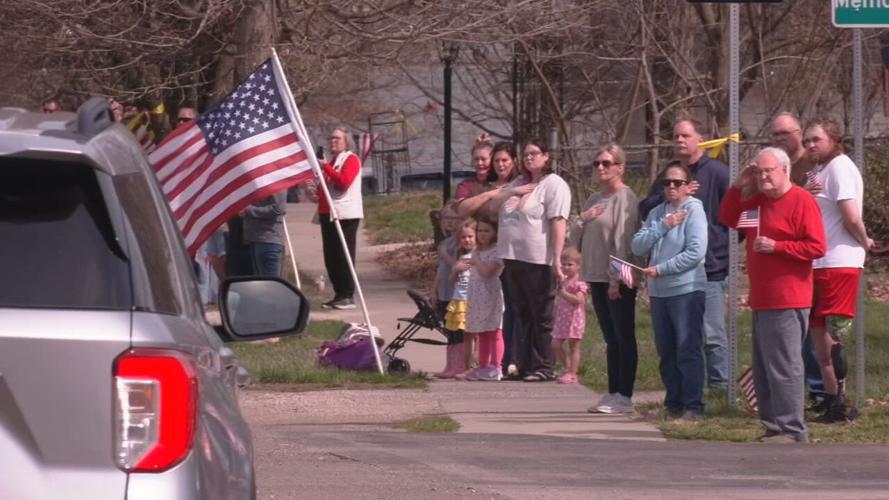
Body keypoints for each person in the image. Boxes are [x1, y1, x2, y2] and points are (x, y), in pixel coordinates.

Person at [719, 147, 826, 443]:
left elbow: (817, 247)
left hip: (788, 297)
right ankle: (773, 426)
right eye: (759, 171)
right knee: (765, 367)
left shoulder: (801, 200)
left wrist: (777, 246)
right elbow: (728, 217)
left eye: (769, 171)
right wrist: (738, 185)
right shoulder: (759, 202)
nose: (763, 176)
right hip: (762, 298)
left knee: (784, 366)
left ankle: (792, 429)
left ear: (785, 170)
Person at [639, 119, 730, 391]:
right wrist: (674, 194)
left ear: (700, 138)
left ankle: (720, 388)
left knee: (712, 333)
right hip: (670, 272)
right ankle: (681, 392)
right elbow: (646, 208)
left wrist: (720, 246)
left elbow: (735, 212)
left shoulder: (718, 172)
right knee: (678, 339)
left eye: (685, 135)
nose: (679, 140)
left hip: (709, 267)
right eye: (676, 136)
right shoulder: (669, 174)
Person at [803, 118, 873, 423]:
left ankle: (842, 405)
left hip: (839, 262)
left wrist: (866, 241)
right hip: (819, 262)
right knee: (818, 337)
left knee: (833, 338)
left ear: (834, 140)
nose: (810, 145)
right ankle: (830, 399)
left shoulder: (841, 167)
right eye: (806, 141)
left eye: (816, 140)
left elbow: (850, 216)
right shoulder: (821, 171)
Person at [632, 163, 708, 422]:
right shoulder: (657, 213)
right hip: (659, 293)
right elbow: (638, 245)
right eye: (667, 183)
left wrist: (662, 269)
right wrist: (663, 226)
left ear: (688, 186)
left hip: (687, 290)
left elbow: (696, 252)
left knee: (687, 349)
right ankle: (673, 403)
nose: (672, 187)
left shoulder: (694, 210)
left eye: (677, 182)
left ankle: (693, 406)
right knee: (667, 351)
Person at [572, 144, 640, 413]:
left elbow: (623, 241)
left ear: (620, 168)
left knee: (623, 336)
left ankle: (625, 395)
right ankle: (612, 393)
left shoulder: (626, 198)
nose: (600, 167)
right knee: (610, 338)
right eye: (596, 163)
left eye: (606, 163)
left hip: (617, 279)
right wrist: (583, 218)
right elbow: (574, 239)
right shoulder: (593, 199)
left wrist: (616, 280)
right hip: (595, 276)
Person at [496, 139, 571, 382]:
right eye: (526, 154)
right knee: (521, 312)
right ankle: (523, 364)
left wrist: (557, 259)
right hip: (512, 258)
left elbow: (558, 221)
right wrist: (512, 192)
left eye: (534, 153)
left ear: (546, 156)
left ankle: (543, 366)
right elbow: (496, 203)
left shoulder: (553, 184)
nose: (529, 157)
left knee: (541, 314)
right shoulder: (518, 182)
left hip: (538, 259)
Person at [770, 111, 825, 408]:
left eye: (785, 133)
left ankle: (819, 389)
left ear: (799, 133)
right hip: (782, 258)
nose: (780, 138)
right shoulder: (778, 166)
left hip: (810, 256)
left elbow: (812, 200)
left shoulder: (811, 166)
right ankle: (796, 390)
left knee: (811, 328)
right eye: (775, 134)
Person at [456, 141, 521, 376]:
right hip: (488, 253)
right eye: (496, 161)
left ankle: (510, 360)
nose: (500, 164)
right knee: (490, 317)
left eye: (504, 160)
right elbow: (462, 210)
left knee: (513, 309)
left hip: (515, 254)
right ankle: (487, 366)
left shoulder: (521, 183)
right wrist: (495, 193)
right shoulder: (481, 187)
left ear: (513, 161)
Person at [316, 127, 364, 310]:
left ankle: (347, 294)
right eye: (331, 138)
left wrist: (326, 167)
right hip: (328, 213)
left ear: (346, 141)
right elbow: (326, 187)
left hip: (345, 214)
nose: (333, 141)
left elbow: (344, 182)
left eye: (337, 138)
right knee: (331, 256)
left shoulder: (351, 159)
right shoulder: (333, 161)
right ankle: (338, 294)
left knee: (344, 254)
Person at [460, 216, 505, 381]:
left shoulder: (497, 251)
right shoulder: (477, 251)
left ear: (495, 232)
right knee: (482, 332)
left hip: (491, 295)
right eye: (480, 231)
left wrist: (476, 260)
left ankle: (496, 366)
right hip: (476, 297)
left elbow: (487, 273)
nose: (482, 234)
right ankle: (483, 366)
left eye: (487, 231)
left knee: (494, 331)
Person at [432, 200, 465, 379]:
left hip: (457, 294)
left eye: (454, 218)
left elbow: (460, 266)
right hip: (444, 292)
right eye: (446, 218)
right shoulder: (444, 242)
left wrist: (445, 255)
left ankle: (460, 364)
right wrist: (434, 291)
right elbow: (440, 270)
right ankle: (450, 364)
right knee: (449, 330)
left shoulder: (461, 243)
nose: (449, 222)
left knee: (458, 331)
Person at [550, 247, 587, 385]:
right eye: (563, 264)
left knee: (573, 346)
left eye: (570, 264)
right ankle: (567, 368)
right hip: (562, 318)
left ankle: (573, 373)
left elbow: (579, 300)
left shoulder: (579, 282)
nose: (566, 267)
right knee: (555, 344)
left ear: (578, 266)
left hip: (574, 318)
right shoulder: (564, 281)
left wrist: (564, 294)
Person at [447, 219, 477, 378]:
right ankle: (466, 366)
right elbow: (451, 281)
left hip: (474, 300)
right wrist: (455, 270)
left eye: (470, 236)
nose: (467, 240)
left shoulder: (478, 256)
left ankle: (477, 365)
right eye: (463, 237)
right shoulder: (461, 256)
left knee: (477, 335)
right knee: (466, 336)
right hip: (460, 299)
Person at [242, 191, 287, 277]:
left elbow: (277, 209)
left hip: (269, 239)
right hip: (254, 239)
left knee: (270, 283)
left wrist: (248, 210)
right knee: (260, 282)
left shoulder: (276, 184)